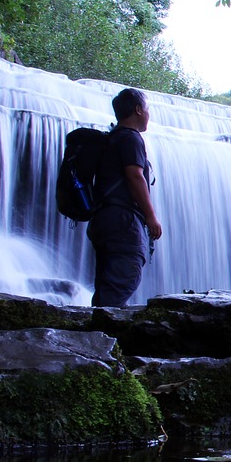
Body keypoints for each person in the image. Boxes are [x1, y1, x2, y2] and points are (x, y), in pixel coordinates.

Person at [88, 88, 163, 307]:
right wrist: (150, 217)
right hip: (123, 220)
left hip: (103, 218)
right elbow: (134, 176)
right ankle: (104, 332)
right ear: (138, 110)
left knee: (108, 282)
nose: (149, 114)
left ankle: (96, 331)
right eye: (147, 109)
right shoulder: (131, 139)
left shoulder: (112, 139)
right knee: (126, 275)